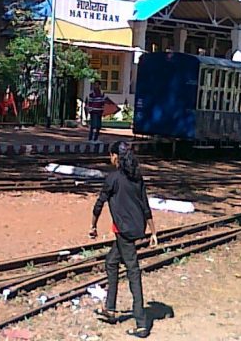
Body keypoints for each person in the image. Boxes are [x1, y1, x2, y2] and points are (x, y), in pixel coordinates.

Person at [88, 139, 158, 338]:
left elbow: (99, 204)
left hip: (124, 232)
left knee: (133, 271)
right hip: (136, 228)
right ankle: (109, 309)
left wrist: (92, 226)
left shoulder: (113, 179)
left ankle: (142, 323)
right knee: (111, 262)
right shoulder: (137, 177)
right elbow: (146, 206)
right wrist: (153, 232)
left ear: (116, 157)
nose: (110, 158)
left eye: (111, 155)